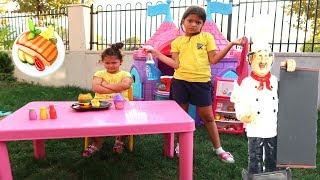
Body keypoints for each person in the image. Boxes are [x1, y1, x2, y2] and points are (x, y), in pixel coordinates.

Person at [145, 6, 244, 163]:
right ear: (183, 21)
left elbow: (214, 59)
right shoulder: (177, 41)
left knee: (208, 117)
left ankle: (219, 149)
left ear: (202, 24)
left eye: (198, 22)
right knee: (180, 117)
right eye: (190, 20)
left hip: (201, 83)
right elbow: (175, 64)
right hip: (180, 83)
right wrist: (155, 52)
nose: (193, 24)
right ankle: (179, 145)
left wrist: (231, 44)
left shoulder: (207, 37)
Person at [231, 44, 295, 174]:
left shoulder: (275, 80)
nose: (263, 60)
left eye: (266, 56)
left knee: (273, 155)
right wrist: (243, 114)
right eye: (259, 56)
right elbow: (238, 100)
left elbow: (289, 90)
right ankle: (255, 175)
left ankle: (274, 174)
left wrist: (290, 67)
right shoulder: (245, 82)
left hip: (272, 126)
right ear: (251, 60)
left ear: (271, 60)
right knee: (255, 156)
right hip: (255, 126)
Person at [82, 42, 133, 157]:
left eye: (114, 62)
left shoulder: (126, 74)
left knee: (126, 122)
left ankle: (120, 140)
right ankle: (97, 143)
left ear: (121, 62)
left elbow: (125, 86)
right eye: (107, 63)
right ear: (102, 62)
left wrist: (105, 85)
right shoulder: (99, 73)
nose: (110, 65)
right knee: (93, 122)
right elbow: (96, 88)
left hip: (120, 106)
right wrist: (116, 89)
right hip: (99, 104)